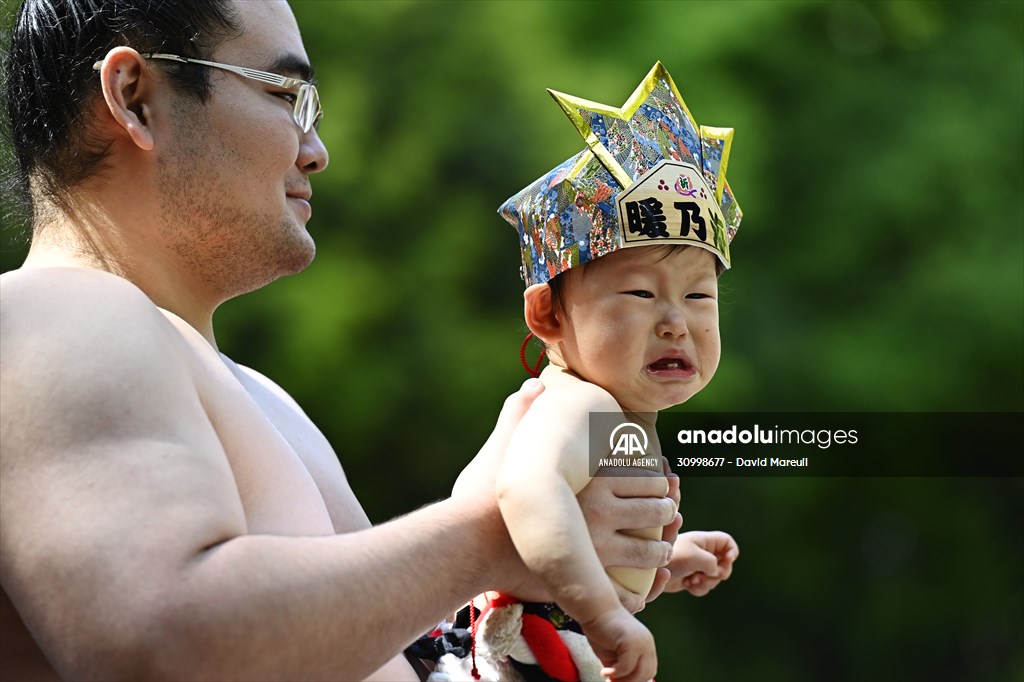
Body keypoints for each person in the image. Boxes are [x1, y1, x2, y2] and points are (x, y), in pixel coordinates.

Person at [0, 2, 686, 680]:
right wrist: (498, 532)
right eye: (286, 95)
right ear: (134, 98)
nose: (317, 151)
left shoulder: (260, 396)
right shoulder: (54, 311)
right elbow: (161, 645)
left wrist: (523, 599)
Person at [430, 64, 742, 681]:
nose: (675, 322)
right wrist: (603, 614)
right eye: (640, 293)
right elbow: (529, 493)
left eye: (698, 296)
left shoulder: (613, 413)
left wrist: (662, 558)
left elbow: (573, 537)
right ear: (548, 314)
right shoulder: (582, 405)